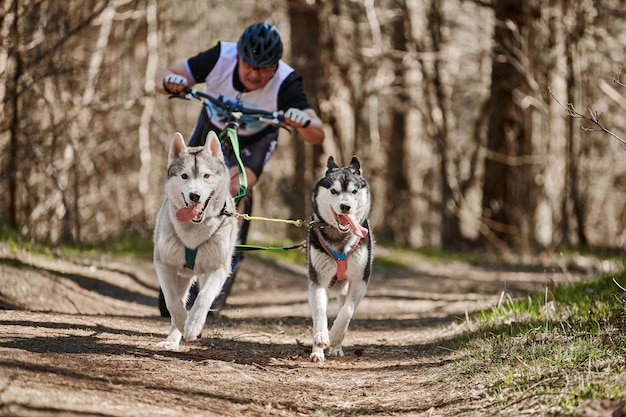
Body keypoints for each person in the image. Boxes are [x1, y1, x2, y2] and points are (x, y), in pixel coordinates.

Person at [155, 22, 325, 197]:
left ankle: (234, 221)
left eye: (264, 69)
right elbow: (161, 78)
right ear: (238, 56)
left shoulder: (286, 81)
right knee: (188, 180)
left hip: (256, 139)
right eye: (249, 65)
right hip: (211, 127)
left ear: (275, 66)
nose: (254, 74)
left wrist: (303, 123)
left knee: (234, 188)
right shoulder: (219, 58)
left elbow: (317, 134)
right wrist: (170, 81)